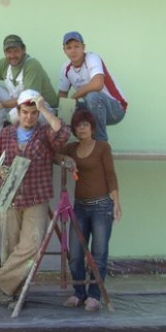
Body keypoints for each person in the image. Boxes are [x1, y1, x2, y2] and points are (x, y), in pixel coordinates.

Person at [0, 89, 71, 308]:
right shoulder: (6, 134)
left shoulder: (45, 134)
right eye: (25, 112)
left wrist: (44, 109)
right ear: (18, 112)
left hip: (35, 197)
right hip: (8, 195)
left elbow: (64, 135)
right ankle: (8, 293)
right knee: (10, 246)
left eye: (33, 113)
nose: (29, 117)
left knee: (32, 246)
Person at [56, 108, 122, 312]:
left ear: (93, 127)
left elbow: (110, 174)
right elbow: (53, 155)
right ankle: (79, 292)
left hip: (102, 206)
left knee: (98, 253)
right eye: (78, 125)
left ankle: (94, 296)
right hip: (80, 207)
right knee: (75, 253)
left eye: (85, 124)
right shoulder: (72, 148)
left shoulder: (102, 147)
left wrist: (117, 203)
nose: (82, 128)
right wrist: (67, 160)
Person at [0, 34, 58, 132]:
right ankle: (2, 134)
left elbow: (29, 99)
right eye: (8, 52)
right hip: (19, 105)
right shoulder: (4, 64)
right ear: (4, 53)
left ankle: (25, 139)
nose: (12, 56)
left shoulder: (32, 65)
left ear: (24, 50)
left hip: (43, 109)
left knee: (14, 114)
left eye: (16, 51)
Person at [58, 31, 127, 142]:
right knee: (61, 108)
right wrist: (64, 113)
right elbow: (62, 95)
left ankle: (100, 144)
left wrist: (74, 97)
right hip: (93, 107)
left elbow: (97, 84)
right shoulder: (66, 67)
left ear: (83, 47)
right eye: (69, 47)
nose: (73, 51)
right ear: (64, 50)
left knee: (93, 96)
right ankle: (70, 146)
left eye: (77, 46)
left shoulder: (92, 58)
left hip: (116, 109)